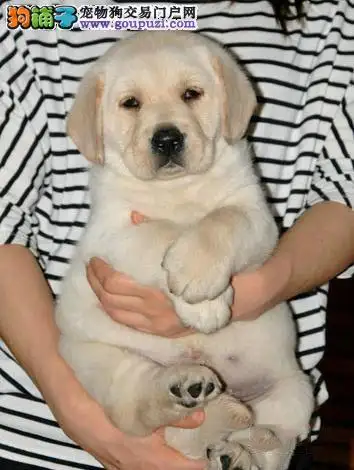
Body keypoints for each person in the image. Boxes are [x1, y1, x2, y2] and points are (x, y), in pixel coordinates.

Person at [0, 1, 353, 469]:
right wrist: (86, 419)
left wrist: (246, 284)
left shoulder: (335, 17)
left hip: (257, 388)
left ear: (229, 102)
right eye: (131, 103)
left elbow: (335, 200)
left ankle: (254, 449)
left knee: (290, 397)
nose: (165, 128)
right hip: (53, 438)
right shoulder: (38, 16)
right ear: (95, 125)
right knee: (114, 367)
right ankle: (153, 405)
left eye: (191, 94)